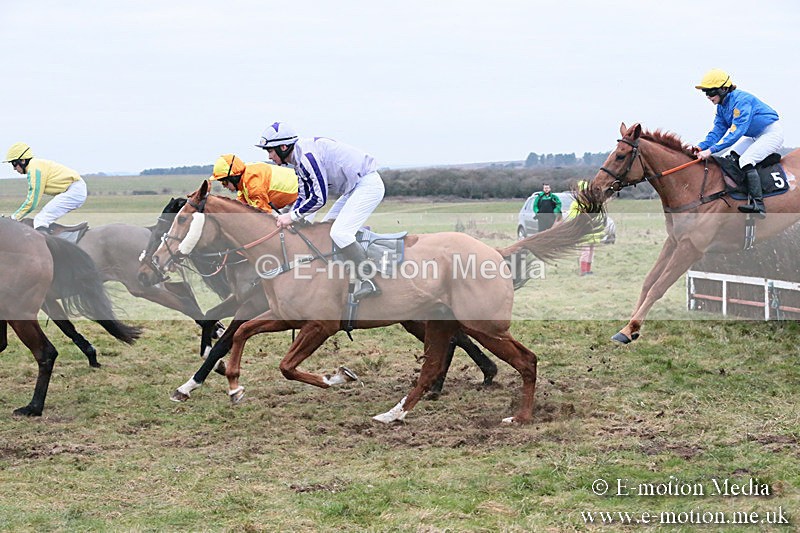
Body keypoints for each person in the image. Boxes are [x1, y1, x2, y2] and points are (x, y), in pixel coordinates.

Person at [256, 122, 385, 299]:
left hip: (367, 185)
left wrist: (293, 216)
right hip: (352, 188)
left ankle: (369, 280)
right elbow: (303, 195)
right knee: (325, 231)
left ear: (283, 147)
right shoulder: (298, 160)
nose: (270, 157)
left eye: (270, 151)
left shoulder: (307, 158)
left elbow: (319, 198)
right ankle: (341, 280)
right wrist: (293, 217)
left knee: (340, 233)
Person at [693, 69, 783, 219]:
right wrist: (701, 146)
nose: (708, 96)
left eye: (711, 91)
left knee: (746, 160)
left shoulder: (741, 101)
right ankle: (739, 194)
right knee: (728, 158)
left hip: (770, 133)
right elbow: (717, 132)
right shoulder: (721, 107)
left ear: (724, 89)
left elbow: (736, 133)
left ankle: (758, 205)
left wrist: (711, 151)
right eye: (705, 92)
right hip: (754, 136)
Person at [3, 142, 88, 233]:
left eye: (14, 163)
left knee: (40, 220)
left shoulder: (34, 169)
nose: (14, 168)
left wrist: (13, 218)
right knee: (43, 218)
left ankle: (48, 242)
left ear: (23, 161)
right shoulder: (35, 166)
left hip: (74, 190)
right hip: (73, 189)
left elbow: (32, 202)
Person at [208, 154, 298, 213]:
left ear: (234, 177)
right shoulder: (243, 183)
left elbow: (263, 215)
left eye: (224, 182)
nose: (224, 186)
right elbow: (239, 208)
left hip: (301, 195)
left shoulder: (252, 185)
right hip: (291, 200)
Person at [566, 180, 603, 276]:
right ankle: (583, 270)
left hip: (593, 231)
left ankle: (588, 270)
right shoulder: (576, 204)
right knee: (585, 251)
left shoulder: (592, 202)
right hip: (584, 230)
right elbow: (573, 217)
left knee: (591, 251)